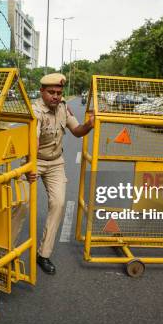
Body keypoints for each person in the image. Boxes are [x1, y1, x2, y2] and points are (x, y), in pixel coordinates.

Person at [25, 73, 94, 274]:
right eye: (51, 92)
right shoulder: (36, 110)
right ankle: (6, 250)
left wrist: (89, 124)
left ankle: (43, 255)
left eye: (59, 93)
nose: (55, 96)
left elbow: (77, 130)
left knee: (58, 204)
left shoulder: (63, 106)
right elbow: (33, 141)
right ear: (42, 92)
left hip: (55, 162)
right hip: (34, 160)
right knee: (21, 204)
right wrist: (29, 167)